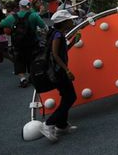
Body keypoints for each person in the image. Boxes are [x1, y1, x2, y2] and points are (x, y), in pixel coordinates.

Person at [40, 10, 79, 141]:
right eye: (69, 20)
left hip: (56, 70)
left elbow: (61, 51)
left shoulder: (56, 33)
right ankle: (49, 123)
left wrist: (73, 43)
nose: (72, 21)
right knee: (71, 97)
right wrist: (67, 70)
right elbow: (55, 54)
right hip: (58, 71)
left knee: (66, 96)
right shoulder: (58, 35)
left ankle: (61, 125)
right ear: (63, 22)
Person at [0, 0, 47, 87]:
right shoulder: (33, 16)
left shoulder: (12, 17)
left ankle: (22, 79)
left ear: (20, 7)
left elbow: (1, 25)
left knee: (19, 61)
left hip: (18, 44)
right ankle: (31, 76)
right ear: (29, 6)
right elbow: (43, 26)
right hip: (32, 43)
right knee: (32, 60)